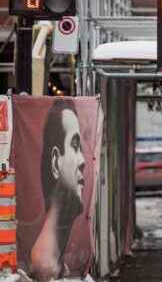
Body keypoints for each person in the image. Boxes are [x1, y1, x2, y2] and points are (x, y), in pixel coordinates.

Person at [30, 100, 86, 281]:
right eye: (75, 146)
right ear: (55, 162)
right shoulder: (45, 263)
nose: (83, 160)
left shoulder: (56, 257)